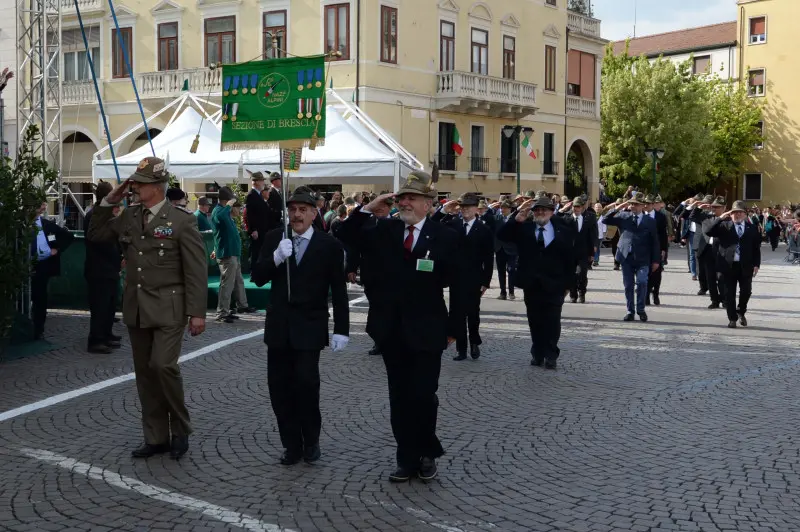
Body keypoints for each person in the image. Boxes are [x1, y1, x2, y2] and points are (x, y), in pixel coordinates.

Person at [339, 171, 458, 483]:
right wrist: (368, 207)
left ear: (428, 204)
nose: (404, 202)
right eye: (401, 197)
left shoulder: (444, 235)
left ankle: (427, 452)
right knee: (400, 396)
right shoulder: (385, 229)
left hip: (429, 329)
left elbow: (461, 285)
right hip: (391, 329)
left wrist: (455, 327)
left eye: (412, 198)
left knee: (423, 394)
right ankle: (407, 458)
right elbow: (345, 234)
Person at [86, 157, 208, 460]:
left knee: (163, 366)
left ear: (156, 187)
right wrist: (108, 201)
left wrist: (198, 313)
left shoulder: (181, 220)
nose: (134, 187)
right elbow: (96, 235)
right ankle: (156, 436)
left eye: (139, 183)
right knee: (145, 373)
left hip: (169, 307)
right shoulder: (128, 215)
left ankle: (180, 429)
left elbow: (196, 269)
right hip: (137, 307)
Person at [251, 186, 349, 466]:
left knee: (307, 386)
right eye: (292, 209)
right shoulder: (275, 238)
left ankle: (311, 440)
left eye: (303, 210)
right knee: (279, 389)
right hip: (279, 327)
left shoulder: (328, 245)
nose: (297, 215)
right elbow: (257, 277)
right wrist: (275, 258)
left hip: (310, 326)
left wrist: (342, 328)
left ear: (313, 213)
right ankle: (291, 444)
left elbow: (339, 290)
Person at [498, 194, 575, 369]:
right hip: (531, 282)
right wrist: (516, 219)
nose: (541, 213)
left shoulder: (563, 228)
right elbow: (501, 235)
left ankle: (551, 354)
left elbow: (570, 258)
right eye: (537, 210)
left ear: (552, 212)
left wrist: (569, 284)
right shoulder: (524, 228)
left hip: (555, 283)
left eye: (544, 210)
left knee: (553, 320)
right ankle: (537, 353)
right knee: (535, 320)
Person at [434, 193, 494, 361]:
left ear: (476, 208)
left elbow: (488, 258)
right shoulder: (452, 224)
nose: (466, 210)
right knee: (457, 314)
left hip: (474, 278)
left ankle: (474, 343)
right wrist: (443, 210)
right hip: (455, 277)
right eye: (463, 207)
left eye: (469, 207)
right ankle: (461, 348)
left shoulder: (484, 230)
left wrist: (486, 282)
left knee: (473, 313)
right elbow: (432, 225)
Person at [345, 194, 394, 357]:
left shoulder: (398, 224)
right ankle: (378, 339)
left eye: (383, 207)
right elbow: (353, 246)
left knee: (388, 309)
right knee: (376, 309)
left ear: (389, 207)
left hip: (391, 277)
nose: (379, 210)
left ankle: (387, 340)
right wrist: (351, 268)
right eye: (376, 207)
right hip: (371, 275)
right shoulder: (366, 224)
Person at [602, 192, 660, 322]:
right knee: (628, 285)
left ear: (642, 206)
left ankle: (641, 309)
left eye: (636, 204)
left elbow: (655, 241)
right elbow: (605, 219)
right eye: (631, 204)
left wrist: (656, 260)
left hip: (643, 258)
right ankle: (630, 311)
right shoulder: (624, 216)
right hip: (626, 256)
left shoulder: (649, 221)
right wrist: (617, 208)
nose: (633, 206)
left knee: (642, 282)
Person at [704, 200, 761, 328]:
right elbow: (708, 231)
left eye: (740, 212)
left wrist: (757, 264)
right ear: (731, 213)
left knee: (746, 291)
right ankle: (732, 318)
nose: (737, 215)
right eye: (735, 212)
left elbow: (756, 248)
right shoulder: (724, 225)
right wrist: (720, 218)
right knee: (728, 294)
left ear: (745, 214)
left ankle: (741, 311)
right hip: (727, 265)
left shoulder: (751, 228)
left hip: (745, 265)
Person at [84, 181, 122, 353]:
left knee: (109, 304)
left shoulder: (102, 214)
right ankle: (96, 339)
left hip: (109, 267)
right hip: (99, 268)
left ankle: (106, 334)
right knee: (100, 306)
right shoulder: (95, 215)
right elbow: (99, 240)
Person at [31, 201, 74, 340]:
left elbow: (67, 236)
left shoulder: (47, 225)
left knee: (40, 298)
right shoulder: (20, 226)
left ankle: (38, 329)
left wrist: (57, 250)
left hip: (42, 265)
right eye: (40, 205)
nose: (43, 207)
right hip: (25, 265)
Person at [212, 187, 253, 323]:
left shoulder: (225, 213)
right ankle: (222, 312)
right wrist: (229, 205)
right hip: (227, 254)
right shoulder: (219, 211)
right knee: (227, 284)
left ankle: (240, 306)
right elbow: (220, 219)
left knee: (237, 281)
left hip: (232, 253)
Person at [559, 196, 597, 303]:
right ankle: (573, 294)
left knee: (581, 273)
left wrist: (592, 251)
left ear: (583, 207)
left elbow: (592, 235)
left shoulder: (590, 217)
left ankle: (582, 293)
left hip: (583, 251)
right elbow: (555, 218)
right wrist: (562, 209)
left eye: (578, 207)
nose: (576, 209)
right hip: (570, 252)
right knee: (572, 274)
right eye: (574, 207)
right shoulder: (567, 217)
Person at [491, 199, 518, 300]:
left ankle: (511, 292)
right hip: (499, 248)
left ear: (510, 209)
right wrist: (492, 207)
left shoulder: (515, 218)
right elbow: (486, 216)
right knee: (501, 271)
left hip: (512, 249)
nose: (503, 210)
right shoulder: (497, 218)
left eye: (505, 208)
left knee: (511, 270)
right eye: (502, 207)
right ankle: (503, 292)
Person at [644, 194, 669, 306]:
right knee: (646, 272)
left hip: (657, 248)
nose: (646, 205)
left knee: (657, 273)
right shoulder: (640, 215)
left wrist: (664, 249)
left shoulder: (660, 216)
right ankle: (646, 295)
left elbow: (663, 234)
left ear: (653, 205)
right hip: (644, 248)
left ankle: (656, 294)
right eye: (645, 203)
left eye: (648, 204)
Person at [245, 171, 271, 273]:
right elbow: (250, 215)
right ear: (256, 182)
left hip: (262, 229)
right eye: (261, 181)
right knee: (256, 251)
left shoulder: (258, 195)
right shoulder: (252, 195)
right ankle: (254, 273)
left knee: (260, 250)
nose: (263, 183)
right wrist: (253, 230)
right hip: (257, 230)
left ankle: (258, 272)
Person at [593, 202, 605, 267]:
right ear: (594, 208)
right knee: (592, 247)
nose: (598, 208)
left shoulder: (603, 216)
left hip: (599, 235)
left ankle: (596, 260)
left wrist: (604, 234)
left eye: (599, 207)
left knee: (597, 248)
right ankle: (592, 259)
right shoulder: (592, 215)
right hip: (592, 234)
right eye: (597, 207)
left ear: (601, 208)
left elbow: (604, 226)